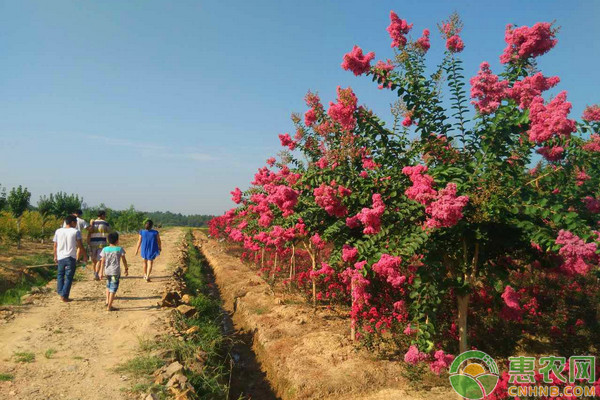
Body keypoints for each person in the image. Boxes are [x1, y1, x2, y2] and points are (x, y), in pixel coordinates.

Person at [53, 215, 88, 302]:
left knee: (60, 275)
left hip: (60, 257)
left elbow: (55, 245)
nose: (76, 224)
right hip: (70, 257)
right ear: (72, 222)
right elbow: (80, 245)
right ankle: (64, 295)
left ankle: (61, 292)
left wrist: (55, 256)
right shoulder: (75, 232)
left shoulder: (58, 231)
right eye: (76, 222)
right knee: (69, 277)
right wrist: (85, 256)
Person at [99, 232, 128, 311]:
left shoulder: (105, 249)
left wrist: (100, 272)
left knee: (108, 286)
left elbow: (102, 262)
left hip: (107, 272)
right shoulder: (119, 249)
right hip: (115, 272)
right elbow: (124, 260)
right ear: (117, 240)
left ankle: (107, 301)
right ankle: (109, 306)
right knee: (113, 288)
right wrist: (126, 268)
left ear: (108, 241)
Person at [88, 210, 111, 281]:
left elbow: (89, 232)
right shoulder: (105, 223)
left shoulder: (92, 222)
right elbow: (109, 231)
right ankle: (96, 273)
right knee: (99, 259)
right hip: (101, 243)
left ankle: (95, 272)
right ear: (102, 216)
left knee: (93, 259)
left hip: (92, 243)